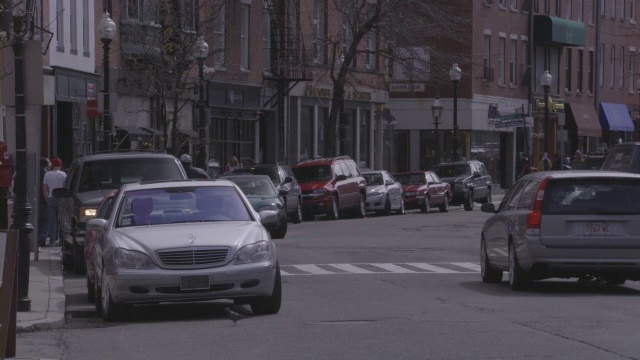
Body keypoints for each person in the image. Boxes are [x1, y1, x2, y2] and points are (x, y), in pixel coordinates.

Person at [43, 157, 67, 246]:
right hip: (61, 199)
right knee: (62, 221)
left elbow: (45, 189)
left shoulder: (47, 175)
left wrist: (47, 199)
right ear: (60, 165)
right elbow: (66, 187)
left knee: (52, 221)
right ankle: (61, 240)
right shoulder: (63, 175)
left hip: (51, 198)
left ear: (52, 165)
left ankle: (52, 240)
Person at [38, 157, 51, 247]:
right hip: (44, 199)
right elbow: (46, 188)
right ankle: (42, 239)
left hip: (39, 199)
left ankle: (40, 238)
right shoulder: (46, 174)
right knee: (45, 220)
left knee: (40, 220)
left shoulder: (37, 172)